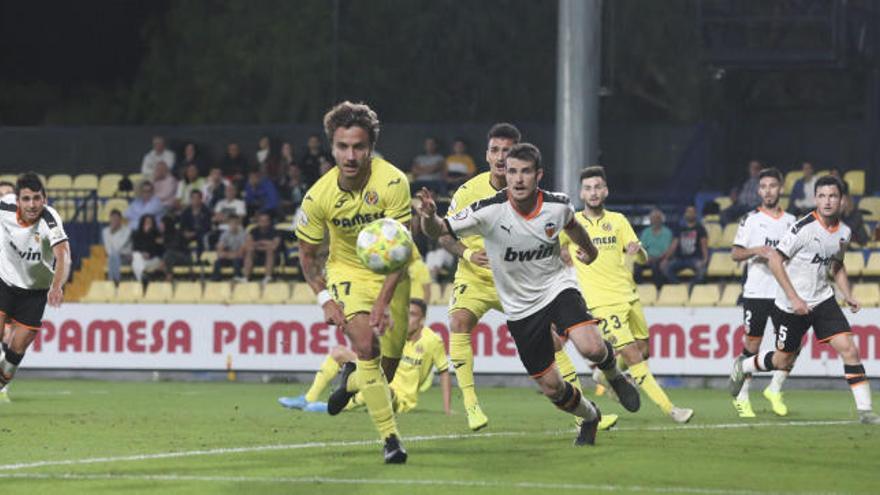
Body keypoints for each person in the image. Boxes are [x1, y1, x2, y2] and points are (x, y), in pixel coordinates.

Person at [418, 143, 640, 447]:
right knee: (552, 389)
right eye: (512, 172)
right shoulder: (488, 209)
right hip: (521, 309)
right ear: (505, 175)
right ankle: (590, 416)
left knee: (589, 346)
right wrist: (429, 217)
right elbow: (440, 229)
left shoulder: (557, 205)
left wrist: (589, 250)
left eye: (525, 172)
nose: (518, 179)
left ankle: (613, 373)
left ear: (538, 175)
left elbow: (574, 228)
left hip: (556, 288)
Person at [435, 123, 605, 433]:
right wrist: (468, 254)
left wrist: (567, 250)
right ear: (486, 154)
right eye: (495, 150)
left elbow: (555, 225)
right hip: (475, 278)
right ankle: (471, 404)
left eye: (506, 151)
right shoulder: (468, 192)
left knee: (553, 340)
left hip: (516, 281)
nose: (500, 158)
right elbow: (444, 236)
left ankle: (582, 410)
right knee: (459, 321)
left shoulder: (531, 191)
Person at [295, 101, 413, 463]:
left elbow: (402, 247)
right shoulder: (318, 196)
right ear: (332, 147)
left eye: (358, 146)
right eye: (343, 147)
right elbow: (307, 258)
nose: (350, 155)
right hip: (347, 271)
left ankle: (349, 381)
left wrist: (382, 302)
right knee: (365, 345)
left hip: (392, 272)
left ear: (370, 147)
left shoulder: (393, 181)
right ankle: (391, 440)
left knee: (383, 372)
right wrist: (324, 300)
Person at [730, 175, 880, 425]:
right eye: (822, 196)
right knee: (782, 360)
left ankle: (865, 410)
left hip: (822, 299)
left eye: (832, 196)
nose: (827, 201)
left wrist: (847, 294)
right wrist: (794, 297)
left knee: (849, 349)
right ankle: (744, 366)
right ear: (816, 199)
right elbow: (775, 259)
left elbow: (837, 265)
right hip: (790, 304)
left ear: (842, 200)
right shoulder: (803, 228)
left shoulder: (844, 231)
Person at [561, 166, 693, 423]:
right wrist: (564, 257)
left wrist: (637, 250)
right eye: (588, 188)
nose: (593, 192)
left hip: (629, 295)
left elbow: (641, 255)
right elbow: (554, 251)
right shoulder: (572, 224)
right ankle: (671, 409)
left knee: (643, 350)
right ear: (581, 192)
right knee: (632, 353)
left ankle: (603, 375)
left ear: (606, 190)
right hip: (601, 302)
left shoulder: (619, 221)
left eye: (598, 187)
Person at [280, 299, 451, 415]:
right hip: (379, 377)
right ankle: (308, 399)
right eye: (405, 314)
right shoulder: (394, 333)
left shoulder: (432, 341)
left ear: (423, 319)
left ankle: (338, 407)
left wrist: (447, 409)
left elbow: (444, 371)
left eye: (413, 315)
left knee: (380, 387)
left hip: (399, 399)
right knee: (339, 353)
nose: (407, 319)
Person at [729, 168, 797, 418]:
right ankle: (743, 395)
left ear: (780, 189)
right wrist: (757, 250)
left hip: (783, 293)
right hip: (757, 292)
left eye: (773, 186)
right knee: (752, 345)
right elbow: (735, 253)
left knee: (790, 346)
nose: (768, 191)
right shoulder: (750, 219)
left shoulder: (792, 222)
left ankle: (775, 388)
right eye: (764, 186)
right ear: (759, 191)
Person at [0, 173, 71, 395]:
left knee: (17, 349)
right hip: (5, 282)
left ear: (45, 199)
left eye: (37, 198)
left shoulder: (50, 220)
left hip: (35, 293)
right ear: (17, 200)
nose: (32, 205)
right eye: (27, 199)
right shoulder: (5, 207)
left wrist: (56, 286)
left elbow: (64, 256)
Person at [660, 206, 709, 287]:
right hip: (680, 259)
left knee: (702, 271)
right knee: (664, 267)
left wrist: (705, 259)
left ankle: (691, 287)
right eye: (688, 212)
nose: (690, 214)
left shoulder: (700, 228)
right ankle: (679, 286)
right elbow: (673, 245)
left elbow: (704, 245)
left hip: (695, 259)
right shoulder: (679, 228)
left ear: (695, 214)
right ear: (685, 214)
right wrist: (666, 259)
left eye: (692, 212)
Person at [636, 208, 673, 287]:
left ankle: (657, 290)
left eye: (657, 218)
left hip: (661, 258)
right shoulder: (646, 232)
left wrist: (656, 258)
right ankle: (638, 288)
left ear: (661, 220)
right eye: (653, 218)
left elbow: (667, 250)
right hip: (648, 258)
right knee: (637, 266)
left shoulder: (667, 232)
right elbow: (641, 248)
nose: (655, 220)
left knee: (656, 266)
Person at [241, 211, 281, 283]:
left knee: (270, 250)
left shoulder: (275, 231)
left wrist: (258, 244)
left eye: (266, 220)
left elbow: (275, 246)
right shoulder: (253, 231)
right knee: (250, 250)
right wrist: (266, 243)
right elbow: (249, 245)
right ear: (258, 221)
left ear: (269, 221)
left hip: (273, 257)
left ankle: (268, 277)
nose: (263, 222)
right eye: (261, 220)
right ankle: (246, 278)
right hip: (256, 255)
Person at [212, 215, 247, 280]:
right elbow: (219, 252)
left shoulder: (243, 234)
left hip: (241, 258)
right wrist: (228, 255)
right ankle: (215, 280)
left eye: (235, 223)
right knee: (217, 262)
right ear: (228, 224)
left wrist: (226, 254)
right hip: (230, 256)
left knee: (236, 261)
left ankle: (237, 278)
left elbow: (241, 253)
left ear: (238, 224)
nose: (233, 225)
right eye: (231, 223)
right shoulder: (224, 234)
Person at [102, 209, 132, 284]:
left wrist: (112, 233)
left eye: (116, 219)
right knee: (113, 257)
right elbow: (108, 249)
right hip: (113, 257)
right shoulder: (105, 231)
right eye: (113, 219)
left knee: (113, 256)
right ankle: (115, 282)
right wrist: (111, 232)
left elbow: (118, 247)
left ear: (120, 220)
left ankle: (112, 282)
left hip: (126, 257)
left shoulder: (127, 231)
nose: (114, 221)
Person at [131, 215, 163, 282]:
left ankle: (142, 278)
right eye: (146, 222)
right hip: (141, 260)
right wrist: (142, 254)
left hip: (153, 259)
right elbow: (135, 249)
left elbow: (159, 251)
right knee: (136, 257)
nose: (148, 225)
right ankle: (142, 278)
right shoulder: (136, 235)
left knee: (140, 264)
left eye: (150, 223)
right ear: (142, 223)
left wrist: (149, 234)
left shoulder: (157, 234)